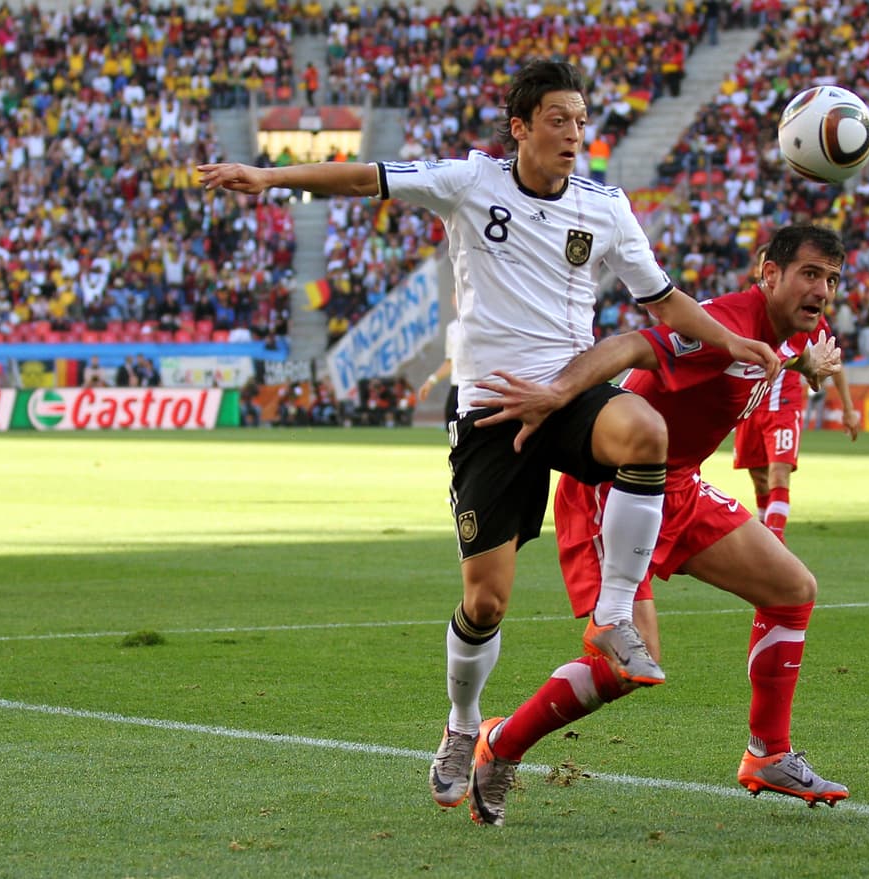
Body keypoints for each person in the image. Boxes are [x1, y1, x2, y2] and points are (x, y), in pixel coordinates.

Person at [198, 59, 779, 810]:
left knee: (645, 429)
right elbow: (365, 176)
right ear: (521, 127)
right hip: (490, 411)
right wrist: (268, 178)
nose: (573, 134)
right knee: (488, 602)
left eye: (579, 120)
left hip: (567, 395)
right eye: (558, 120)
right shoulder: (469, 183)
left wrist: (731, 342)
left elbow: (664, 303)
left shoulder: (605, 207)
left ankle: (613, 617)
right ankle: (461, 723)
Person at [460, 223, 850, 826]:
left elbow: (789, 355)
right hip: (612, 486)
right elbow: (631, 346)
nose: (822, 289)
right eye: (809, 274)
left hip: (681, 486)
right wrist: (557, 393)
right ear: (768, 275)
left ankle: (768, 754)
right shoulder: (725, 323)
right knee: (624, 668)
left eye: (831, 278)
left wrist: (808, 368)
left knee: (793, 591)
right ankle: (499, 743)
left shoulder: (803, 327)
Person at [733, 245, 860, 542]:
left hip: (784, 402)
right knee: (760, 479)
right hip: (751, 405)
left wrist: (848, 407)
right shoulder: (745, 310)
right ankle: (768, 539)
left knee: (779, 474)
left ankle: (774, 544)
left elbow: (833, 359)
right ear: (761, 272)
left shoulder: (805, 314)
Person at [419, 293, 460, 425]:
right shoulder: (452, 328)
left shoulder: (481, 325)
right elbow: (450, 362)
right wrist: (430, 381)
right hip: (457, 386)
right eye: (456, 297)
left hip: (475, 388)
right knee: (452, 426)